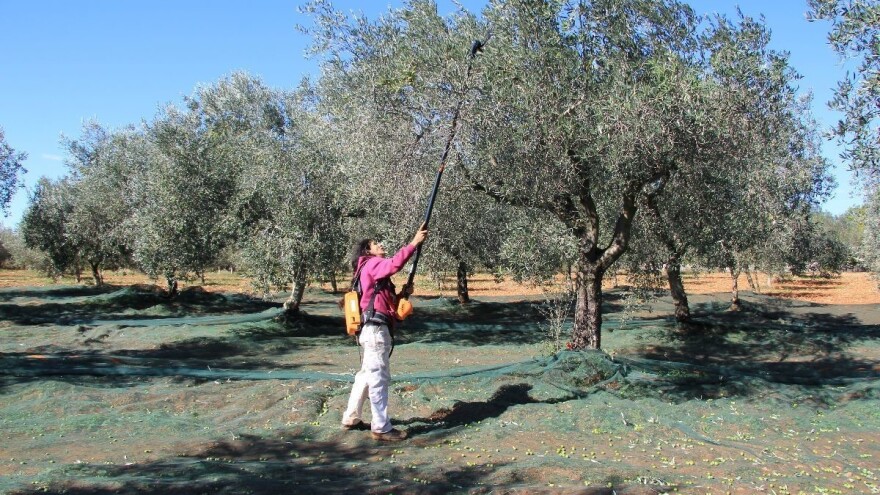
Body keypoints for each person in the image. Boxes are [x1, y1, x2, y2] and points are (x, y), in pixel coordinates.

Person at [341, 226, 428, 442]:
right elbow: (394, 264)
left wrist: (401, 295)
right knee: (378, 377)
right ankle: (381, 427)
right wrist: (414, 243)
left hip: (370, 330)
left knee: (365, 375)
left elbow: (386, 305)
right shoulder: (372, 264)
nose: (381, 245)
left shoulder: (368, 271)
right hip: (375, 331)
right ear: (367, 251)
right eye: (376, 243)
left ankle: (351, 417)